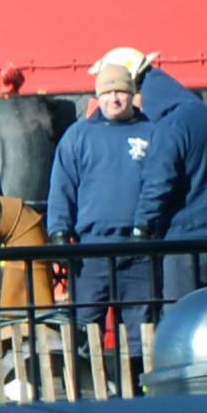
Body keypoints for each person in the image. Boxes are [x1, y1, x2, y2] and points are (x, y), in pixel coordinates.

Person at [46, 50, 168, 360]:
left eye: (121, 92)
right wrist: (58, 232)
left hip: (139, 251)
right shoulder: (78, 137)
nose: (114, 98)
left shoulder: (153, 133)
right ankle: (92, 387)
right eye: (107, 92)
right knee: (86, 333)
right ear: (97, 96)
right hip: (91, 253)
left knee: (142, 336)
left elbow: (164, 184)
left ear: (132, 94)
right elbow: (62, 188)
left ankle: (140, 386)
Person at [135, 53, 207, 296]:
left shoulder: (171, 127)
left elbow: (158, 183)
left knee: (181, 310)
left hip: (184, 238)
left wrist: (141, 227)